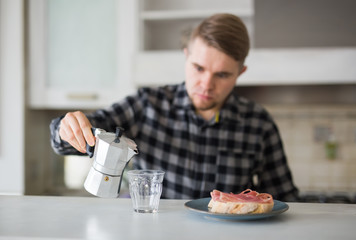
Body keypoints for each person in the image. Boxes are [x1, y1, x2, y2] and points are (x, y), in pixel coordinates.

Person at [50, 13, 299, 201]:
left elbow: (284, 199)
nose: (206, 84)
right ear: (186, 56)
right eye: (199, 68)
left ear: (240, 73)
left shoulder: (259, 124)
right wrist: (66, 127)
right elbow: (83, 133)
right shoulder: (147, 105)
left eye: (222, 75)